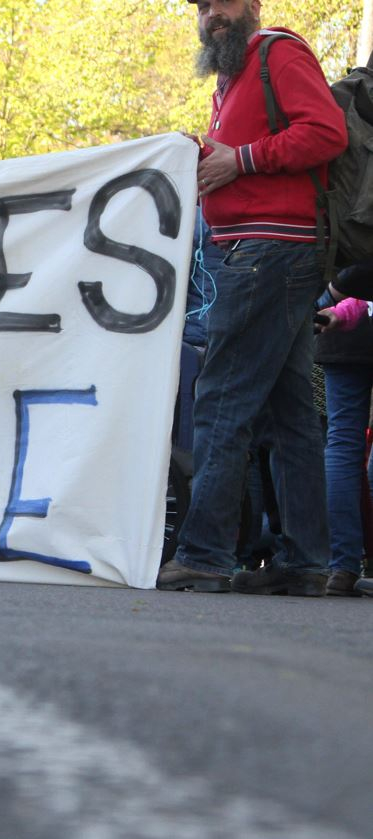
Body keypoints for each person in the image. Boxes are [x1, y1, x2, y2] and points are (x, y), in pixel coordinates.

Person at [157, 0, 346, 595]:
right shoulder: (234, 78)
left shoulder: (277, 53)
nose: (211, 14)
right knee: (290, 415)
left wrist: (239, 159)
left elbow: (326, 133)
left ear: (254, 6)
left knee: (221, 399)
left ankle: (204, 554)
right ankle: (306, 561)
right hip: (268, 251)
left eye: (222, 2)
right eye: (202, 6)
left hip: (268, 251)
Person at [315, 296, 373, 595]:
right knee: (343, 444)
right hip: (346, 319)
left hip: (340, 330)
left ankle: (342, 566)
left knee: (341, 444)